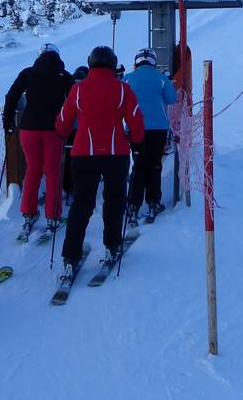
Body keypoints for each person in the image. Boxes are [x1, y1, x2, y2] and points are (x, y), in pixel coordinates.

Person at [57, 46, 144, 279]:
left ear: (90, 63)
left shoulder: (77, 89)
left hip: (83, 154)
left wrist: (62, 132)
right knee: (114, 201)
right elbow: (136, 120)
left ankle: (70, 256)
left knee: (81, 205)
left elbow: (63, 123)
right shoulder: (123, 89)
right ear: (113, 64)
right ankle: (112, 245)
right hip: (116, 154)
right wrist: (136, 141)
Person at [3, 43, 73, 237]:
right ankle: (53, 216)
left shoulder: (27, 73)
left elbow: (12, 96)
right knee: (52, 172)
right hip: (53, 129)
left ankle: (28, 213)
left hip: (28, 128)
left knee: (33, 169)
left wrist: (7, 121)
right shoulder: (64, 76)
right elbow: (74, 102)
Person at [124, 47, 177, 225]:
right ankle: (153, 202)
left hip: (135, 127)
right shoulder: (161, 78)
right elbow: (172, 98)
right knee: (155, 165)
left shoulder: (128, 78)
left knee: (138, 166)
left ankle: (133, 204)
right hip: (158, 129)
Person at [61, 65, 90, 204]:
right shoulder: (87, 89)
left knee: (68, 158)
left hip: (69, 129)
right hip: (84, 130)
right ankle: (78, 187)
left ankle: (66, 186)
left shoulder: (69, 88)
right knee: (82, 159)